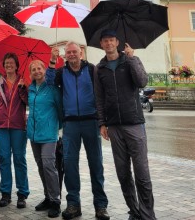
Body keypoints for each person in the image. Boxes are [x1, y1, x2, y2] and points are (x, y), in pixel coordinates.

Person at [94, 30, 156, 220]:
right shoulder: (100, 68)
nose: (109, 44)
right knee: (123, 173)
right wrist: (102, 123)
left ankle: (147, 214)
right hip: (113, 126)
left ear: (117, 42)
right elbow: (99, 98)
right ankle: (134, 211)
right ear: (102, 44)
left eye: (111, 40)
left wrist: (133, 59)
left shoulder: (128, 61)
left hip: (134, 123)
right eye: (105, 41)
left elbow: (142, 81)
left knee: (142, 173)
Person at [46, 43, 110, 220]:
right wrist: (52, 60)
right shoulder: (61, 72)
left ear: (81, 53)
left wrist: (103, 122)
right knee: (70, 165)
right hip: (71, 124)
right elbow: (49, 82)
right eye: (69, 53)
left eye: (75, 52)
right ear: (65, 55)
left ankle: (101, 206)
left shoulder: (92, 70)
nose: (72, 55)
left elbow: (102, 94)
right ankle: (73, 204)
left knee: (96, 164)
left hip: (91, 121)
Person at [0, 52, 29, 208]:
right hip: (1, 127)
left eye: (12, 63)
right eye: (6, 63)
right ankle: (5, 193)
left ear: (17, 65)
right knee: (4, 159)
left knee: (20, 159)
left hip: (19, 126)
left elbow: (28, 101)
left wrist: (23, 89)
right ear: (3, 66)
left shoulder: (23, 82)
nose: (9, 65)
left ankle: (22, 194)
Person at [26, 60, 63, 218]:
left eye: (39, 68)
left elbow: (61, 110)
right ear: (31, 73)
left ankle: (55, 201)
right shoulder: (30, 89)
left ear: (44, 69)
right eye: (33, 69)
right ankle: (48, 197)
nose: (37, 71)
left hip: (49, 134)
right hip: (34, 134)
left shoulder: (52, 88)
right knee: (41, 166)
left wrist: (56, 127)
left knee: (49, 165)